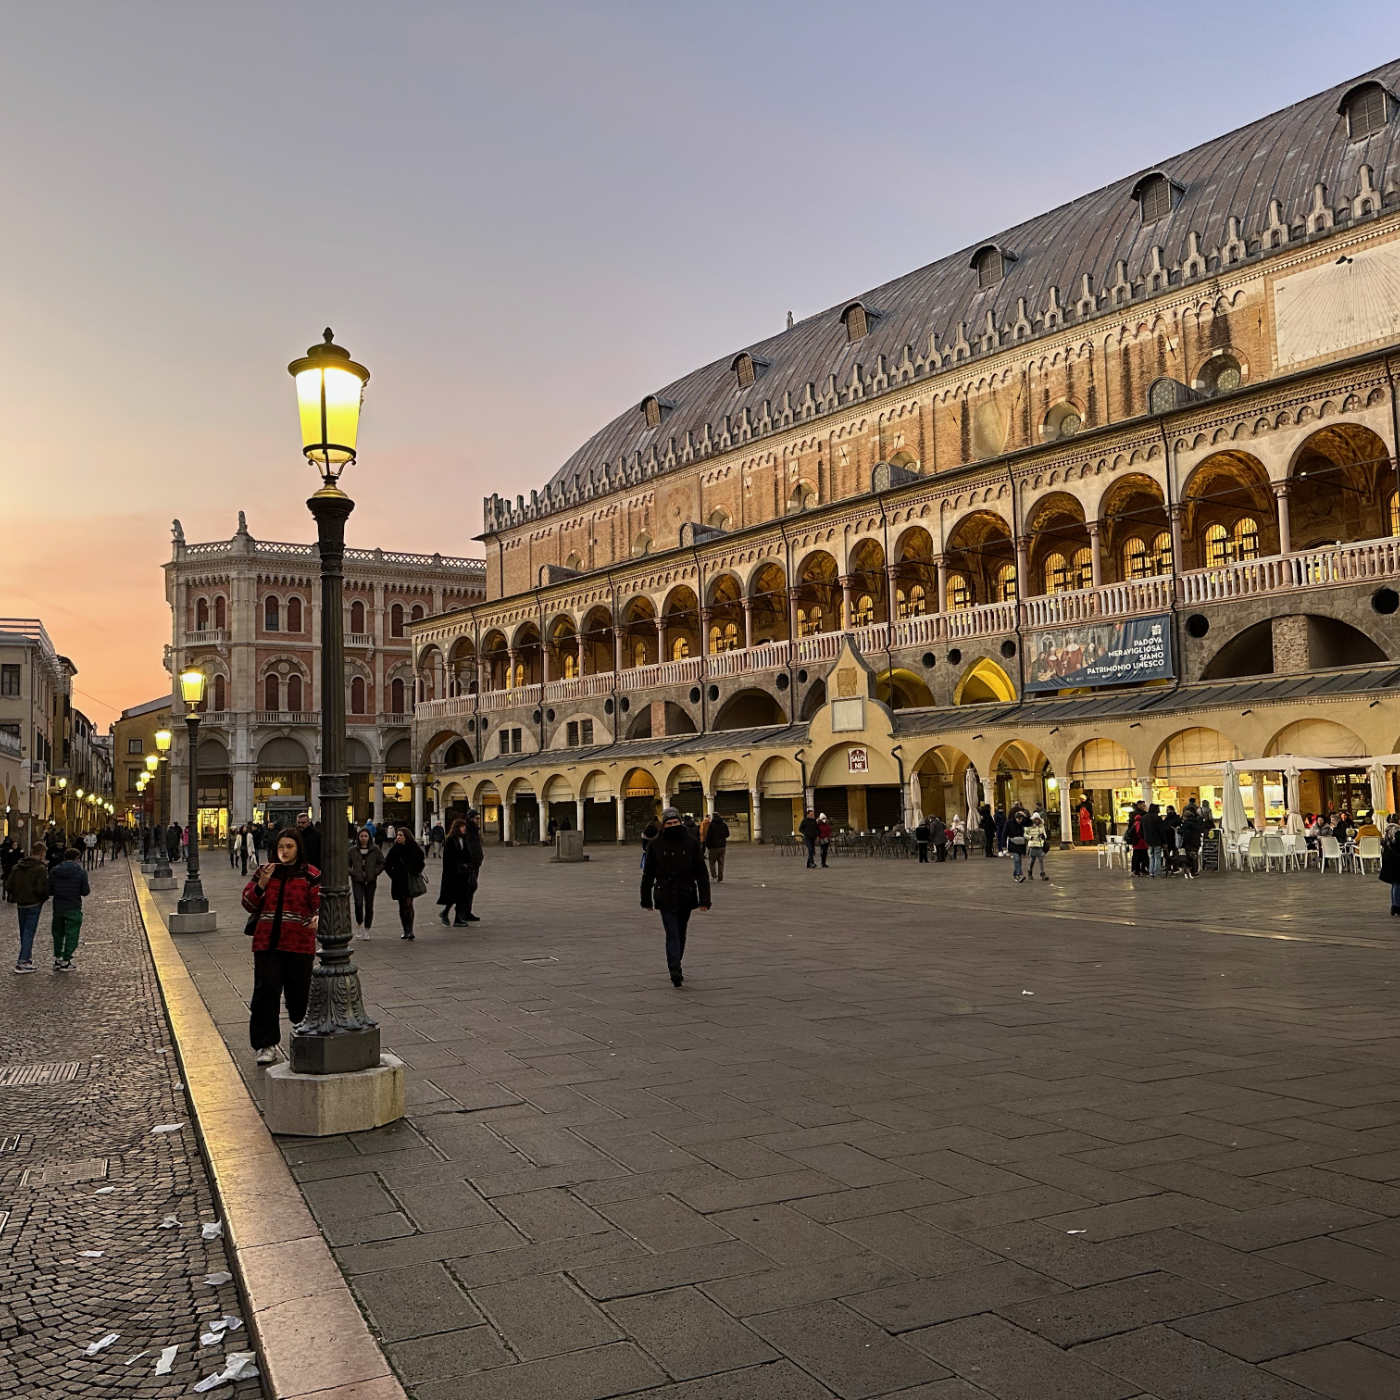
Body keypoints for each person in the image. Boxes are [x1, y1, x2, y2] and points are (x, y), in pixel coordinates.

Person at [241, 827, 321, 1065]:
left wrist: (317, 917)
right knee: (266, 993)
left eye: (290, 847)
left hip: (298, 943)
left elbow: (320, 903)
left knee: (299, 994)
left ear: (298, 848)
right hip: (267, 943)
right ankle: (266, 1044)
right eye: (281, 847)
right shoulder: (266, 872)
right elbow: (247, 902)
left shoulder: (310, 874)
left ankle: (302, 1036)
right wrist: (261, 884)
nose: (285, 851)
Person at [640, 806, 710, 987]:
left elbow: (701, 873)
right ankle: (675, 969)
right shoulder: (655, 845)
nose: (673, 825)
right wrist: (646, 899)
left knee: (681, 932)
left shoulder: (691, 843)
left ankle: (676, 960)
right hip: (665, 895)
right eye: (669, 823)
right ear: (664, 825)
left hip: (685, 894)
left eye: (675, 822)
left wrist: (705, 900)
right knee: (672, 932)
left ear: (680, 822)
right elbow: (648, 874)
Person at [6, 842, 50, 973]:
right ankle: (23, 961)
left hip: (21, 903)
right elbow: (42, 888)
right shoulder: (40, 869)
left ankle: (27, 958)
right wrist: (42, 898)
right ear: (42, 853)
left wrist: (17, 895)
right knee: (29, 933)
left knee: (24, 932)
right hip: (33, 903)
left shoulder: (17, 867)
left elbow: (9, 885)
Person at [48, 846, 90, 971]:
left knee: (58, 933)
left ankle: (58, 958)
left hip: (58, 906)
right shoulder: (81, 872)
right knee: (72, 933)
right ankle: (66, 960)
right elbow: (85, 891)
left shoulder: (55, 871)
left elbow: (49, 890)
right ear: (77, 858)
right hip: (73, 906)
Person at [384, 827, 425, 940]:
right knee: (402, 905)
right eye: (397, 835)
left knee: (408, 903)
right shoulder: (395, 849)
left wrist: (414, 870)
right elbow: (387, 864)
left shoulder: (414, 848)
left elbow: (421, 861)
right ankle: (405, 929)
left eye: (401, 835)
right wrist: (393, 875)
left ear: (406, 836)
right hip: (398, 881)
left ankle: (410, 929)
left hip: (409, 880)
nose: (398, 837)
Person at [438, 816, 479, 926]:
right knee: (456, 896)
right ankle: (453, 917)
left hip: (463, 872)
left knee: (461, 896)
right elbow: (448, 858)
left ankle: (452, 916)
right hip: (453, 873)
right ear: (457, 828)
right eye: (462, 827)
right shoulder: (450, 840)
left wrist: (469, 865)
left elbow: (467, 854)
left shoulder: (463, 839)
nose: (464, 829)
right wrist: (458, 866)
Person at [348, 826, 384, 934]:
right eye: (361, 836)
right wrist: (353, 873)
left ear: (369, 837)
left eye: (366, 836)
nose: (363, 838)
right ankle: (359, 924)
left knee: (369, 904)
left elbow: (382, 862)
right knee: (358, 903)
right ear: (358, 837)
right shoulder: (352, 850)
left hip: (370, 881)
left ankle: (367, 928)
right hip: (357, 880)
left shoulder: (375, 849)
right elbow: (346, 864)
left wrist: (375, 872)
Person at [1380, 819, 1400, 918]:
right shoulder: (1396, 839)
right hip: (1397, 864)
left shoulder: (1386, 841)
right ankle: (1397, 905)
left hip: (1390, 865)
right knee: (1397, 884)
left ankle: (1394, 905)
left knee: (1395, 885)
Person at [1178, 799, 1203, 879]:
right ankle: (1195, 871)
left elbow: (1182, 832)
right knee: (1194, 856)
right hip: (1196, 842)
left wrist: (1178, 830)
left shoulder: (1186, 823)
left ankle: (1192, 871)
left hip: (1189, 843)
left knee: (1189, 857)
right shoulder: (1196, 822)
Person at [703, 810, 729, 882]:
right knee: (721, 863)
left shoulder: (711, 825)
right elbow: (727, 834)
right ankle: (720, 878)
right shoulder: (724, 824)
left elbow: (708, 836)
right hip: (722, 846)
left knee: (712, 862)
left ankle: (714, 876)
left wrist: (707, 846)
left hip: (713, 847)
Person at [1024, 811, 1049, 882]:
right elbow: (1025, 834)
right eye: (1035, 819)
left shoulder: (1041, 826)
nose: (1037, 820)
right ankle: (1029, 872)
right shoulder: (1029, 826)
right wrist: (1030, 837)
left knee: (1041, 860)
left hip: (1039, 845)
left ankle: (1043, 874)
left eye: (1038, 819)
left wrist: (1043, 836)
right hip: (1032, 845)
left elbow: (1045, 834)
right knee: (1032, 860)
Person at [1006, 807, 1029, 881]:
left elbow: (1029, 823)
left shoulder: (1023, 823)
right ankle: (1020, 875)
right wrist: (1003, 846)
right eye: (1019, 819)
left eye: (1021, 819)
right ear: (1016, 818)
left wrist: (1025, 816)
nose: (1020, 821)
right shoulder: (1009, 823)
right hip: (1013, 843)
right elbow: (1004, 833)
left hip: (1021, 844)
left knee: (1019, 860)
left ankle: (1015, 875)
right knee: (1016, 859)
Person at [1127, 802, 1149, 877]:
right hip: (1141, 841)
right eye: (1143, 805)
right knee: (1143, 856)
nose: (1144, 807)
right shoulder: (1142, 818)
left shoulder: (1133, 818)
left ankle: (1136, 870)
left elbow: (1130, 830)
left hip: (1136, 842)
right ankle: (1142, 869)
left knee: (1136, 856)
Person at [1145, 803, 1166, 877]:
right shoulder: (1157, 818)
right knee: (1157, 856)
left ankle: (1151, 872)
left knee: (1151, 856)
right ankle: (1157, 872)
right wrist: (1164, 841)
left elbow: (1142, 830)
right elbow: (1161, 831)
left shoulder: (1144, 818)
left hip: (1148, 840)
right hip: (1157, 840)